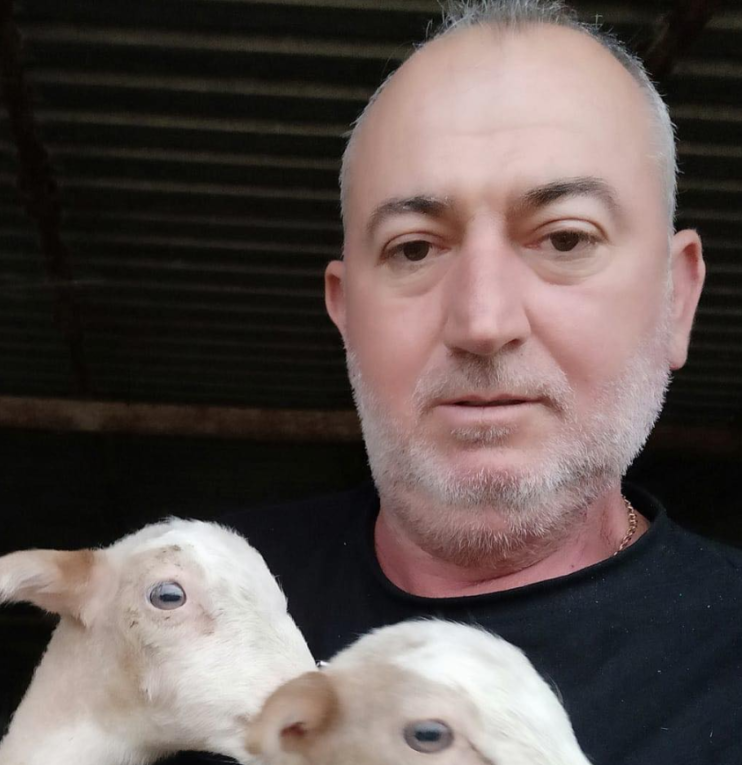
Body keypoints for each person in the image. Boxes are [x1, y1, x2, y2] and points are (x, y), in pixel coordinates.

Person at [168, 2, 742, 764]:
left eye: (565, 237)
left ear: (676, 300)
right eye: (413, 249)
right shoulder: (183, 605)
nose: (482, 320)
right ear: (345, 312)